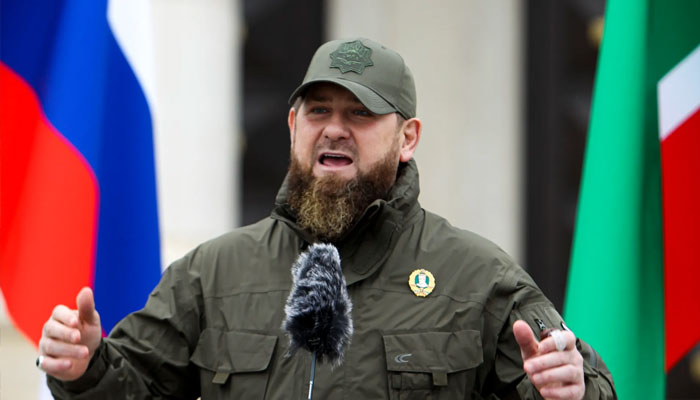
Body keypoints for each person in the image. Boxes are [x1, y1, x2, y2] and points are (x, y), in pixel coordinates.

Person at [39, 37, 615, 399]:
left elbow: (583, 386)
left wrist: (572, 387)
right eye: (319, 110)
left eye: (360, 113)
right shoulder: (212, 274)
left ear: (407, 138)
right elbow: (132, 385)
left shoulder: (476, 275)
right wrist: (85, 368)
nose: (335, 129)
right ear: (294, 125)